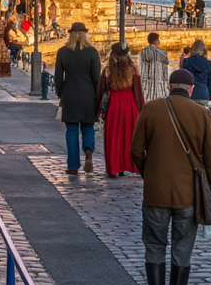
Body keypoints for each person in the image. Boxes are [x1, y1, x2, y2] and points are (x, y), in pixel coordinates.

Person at [131, 69, 211, 285]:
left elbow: (136, 150)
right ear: (191, 90)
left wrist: (150, 175)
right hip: (188, 196)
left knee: (154, 247)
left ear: (169, 87)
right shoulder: (203, 114)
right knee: (182, 251)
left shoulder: (151, 109)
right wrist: (208, 191)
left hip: (155, 194)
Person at [54, 22, 102, 174]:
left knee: (71, 130)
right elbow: (97, 78)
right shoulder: (92, 52)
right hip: (88, 95)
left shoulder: (63, 52)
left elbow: (58, 76)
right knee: (88, 126)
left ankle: (73, 165)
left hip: (70, 94)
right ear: (85, 34)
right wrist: (98, 96)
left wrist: (60, 93)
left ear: (71, 35)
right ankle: (88, 151)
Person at [97, 42, 144, 178]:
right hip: (130, 104)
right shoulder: (133, 69)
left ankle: (114, 166)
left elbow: (101, 90)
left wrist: (98, 107)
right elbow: (138, 91)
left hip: (114, 103)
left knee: (113, 135)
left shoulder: (107, 70)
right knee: (129, 135)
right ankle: (128, 165)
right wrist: (142, 108)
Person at [181, 39, 211, 105]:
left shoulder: (185, 62)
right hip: (203, 95)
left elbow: (183, 80)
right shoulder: (209, 63)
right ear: (203, 49)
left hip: (190, 95)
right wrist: (210, 94)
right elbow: (210, 81)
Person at [138, 32, 170, 101]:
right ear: (156, 40)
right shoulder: (162, 53)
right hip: (159, 87)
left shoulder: (142, 52)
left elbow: (140, 68)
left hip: (146, 87)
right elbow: (165, 72)